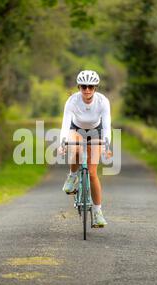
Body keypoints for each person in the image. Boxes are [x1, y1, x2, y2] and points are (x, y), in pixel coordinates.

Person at [58, 70, 112, 228]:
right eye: (83, 86)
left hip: (96, 132)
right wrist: (62, 144)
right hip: (76, 129)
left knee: (93, 172)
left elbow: (107, 126)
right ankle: (72, 176)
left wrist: (106, 146)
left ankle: (97, 213)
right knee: (73, 147)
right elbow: (65, 125)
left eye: (90, 86)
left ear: (95, 88)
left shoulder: (103, 101)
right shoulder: (72, 101)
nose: (87, 90)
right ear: (79, 87)